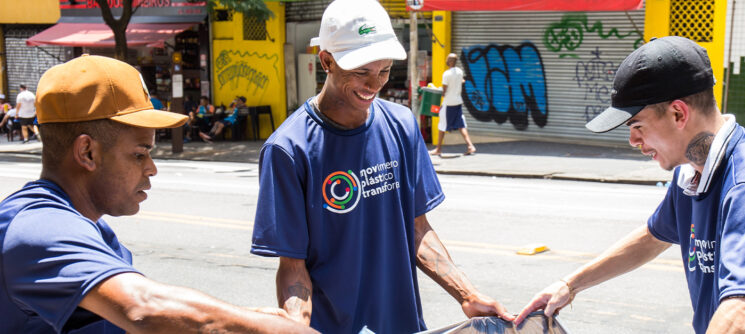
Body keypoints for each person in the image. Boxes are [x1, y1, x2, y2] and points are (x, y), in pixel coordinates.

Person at [0, 55, 316, 334]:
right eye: (140, 154)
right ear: (88, 152)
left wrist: (244, 319)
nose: (152, 168)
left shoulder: (91, 228)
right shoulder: (39, 229)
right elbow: (144, 309)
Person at [250, 1, 512, 332]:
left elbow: (418, 229)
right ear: (327, 61)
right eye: (361, 72)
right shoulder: (288, 150)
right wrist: (296, 326)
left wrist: (467, 294)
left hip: (402, 323)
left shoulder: (402, 124)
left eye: (384, 70)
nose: (374, 85)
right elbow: (292, 264)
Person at [514, 36, 745, 333]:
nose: (633, 141)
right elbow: (654, 236)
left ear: (678, 113)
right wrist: (569, 285)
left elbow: (742, 310)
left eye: (638, 126)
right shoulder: (691, 173)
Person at [428, 53, 476, 156]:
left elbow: (444, 91)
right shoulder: (460, 71)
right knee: (461, 125)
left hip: (448, 103)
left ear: (449, 61)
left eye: (447, 58)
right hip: (458, 102)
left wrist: (439, 92)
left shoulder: (446, 74)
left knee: (442, 126)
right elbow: (462, 81)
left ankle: (438, 149)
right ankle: (470, 146)